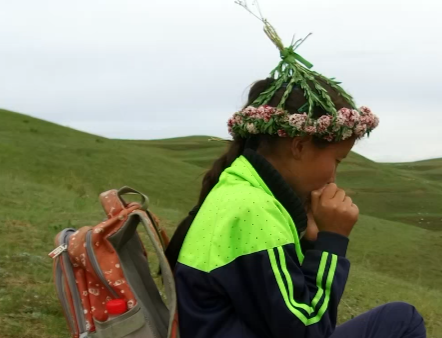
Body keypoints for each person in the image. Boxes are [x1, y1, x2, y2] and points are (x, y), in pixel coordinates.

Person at [164, 10, 426, 338]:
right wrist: (333, 242)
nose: (334, 177)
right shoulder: (252, 212)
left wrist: (310, 240)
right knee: (402, 322)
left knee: (398, 317)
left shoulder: (241, 190)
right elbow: (309, 330)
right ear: (299, 146)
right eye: (338, 161)